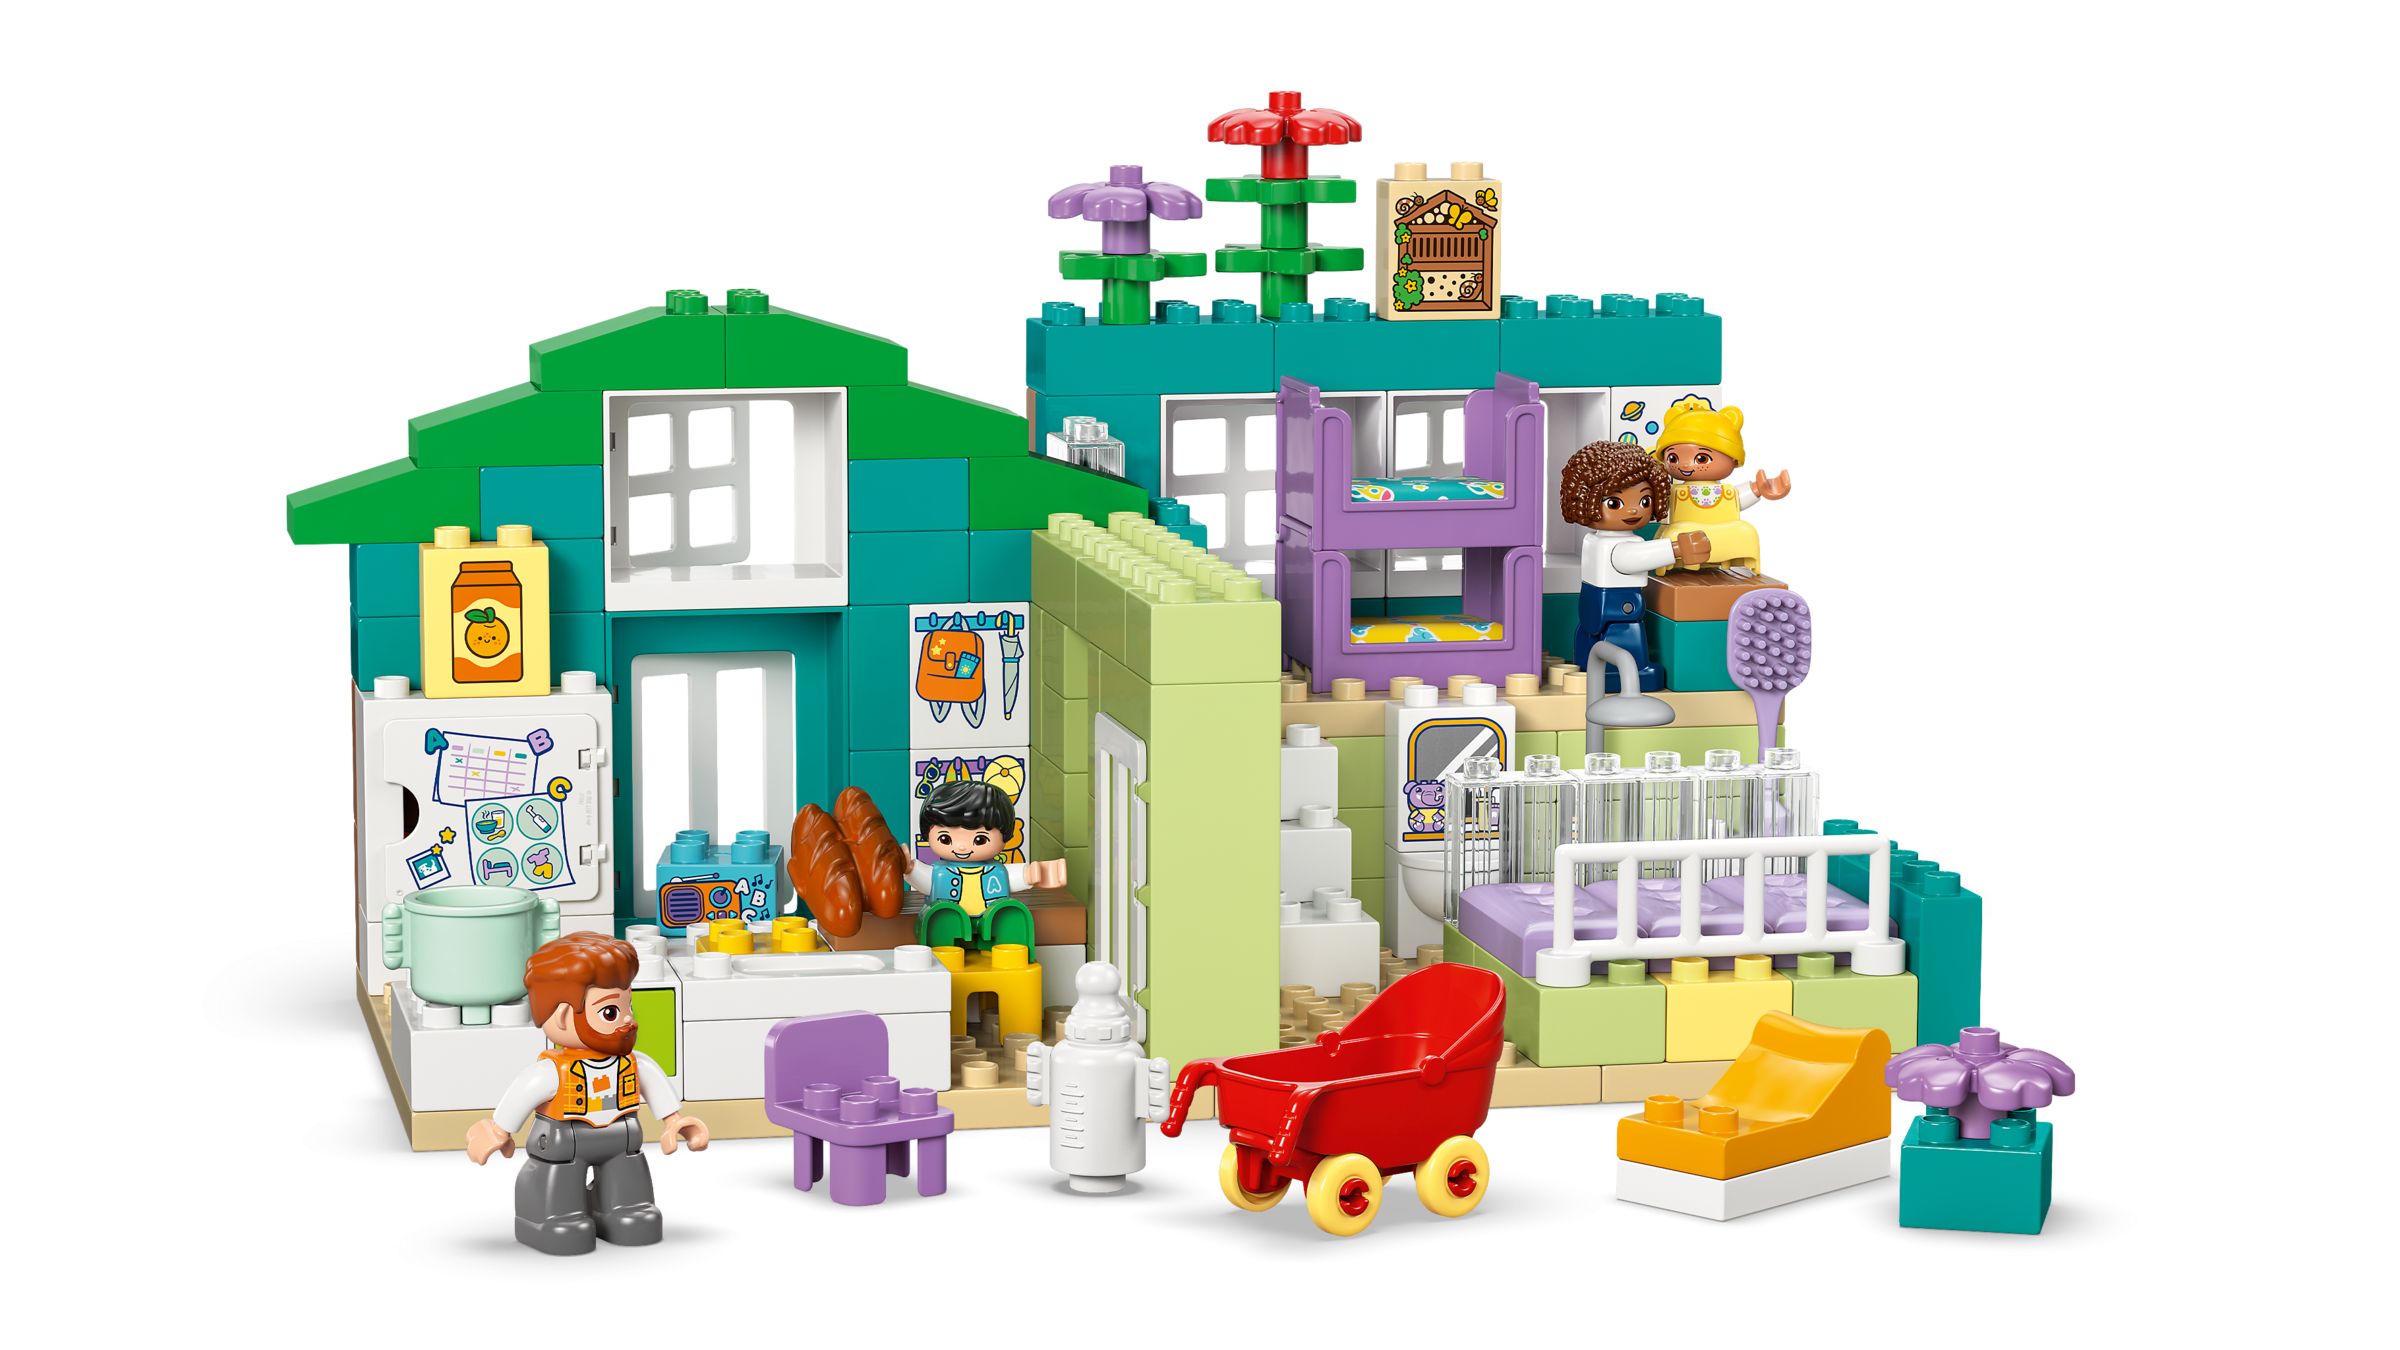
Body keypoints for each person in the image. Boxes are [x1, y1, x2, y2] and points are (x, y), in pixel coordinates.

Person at [465, 932, 708, 1256]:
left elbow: (653, 1083)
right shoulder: (552, 1071)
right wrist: (499, 1130)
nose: (628, 1021)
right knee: (559, 1182)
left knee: (629, 1180)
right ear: (564, 1017)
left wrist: (674, 1121)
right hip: (565, 1141)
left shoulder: (632, 1063)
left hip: (622, 1138)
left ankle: (625, 1209)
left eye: (628, 1006)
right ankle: (551, 1217)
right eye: (610, 1012)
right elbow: (524, 1091)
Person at [1558, 439, 1710, 689]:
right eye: (1615, 503)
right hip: (1618, 607)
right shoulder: (1615, 545)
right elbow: (1630, 557)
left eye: (1644, 501)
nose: (1633, 511)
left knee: (1590, 636)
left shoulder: (1593, 541)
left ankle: (1589, 665)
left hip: (1593, 603)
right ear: (1585, 500)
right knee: (1628, 638)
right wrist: (1677, 549)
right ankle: (1632, 672)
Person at [911, 779, 1064, 951]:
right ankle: (944, 951)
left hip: (992, 921)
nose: (961, 847)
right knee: (940, 915)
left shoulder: (996, 871)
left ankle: (1008, 950)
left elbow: (1015, 876)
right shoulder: (939, 873)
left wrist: (1033, 874)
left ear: (1005, 836)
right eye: (946, 838)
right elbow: (925, 880)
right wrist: (910, 869)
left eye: (979, 839)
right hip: (948, 920)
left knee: (1009, 914)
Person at [1649, 397, 1789, 574]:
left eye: (1701, 458)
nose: (1685, 465)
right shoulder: (1675, 492)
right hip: (1684, 532)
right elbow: (1658, 508)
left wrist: (1759, 489)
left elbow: (1737, 499)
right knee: (1674, 533)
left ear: (1733, 460)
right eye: (1673, 458)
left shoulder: (1728, 492)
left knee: (1746, 531)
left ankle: (1744, 562)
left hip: (1726, 530)